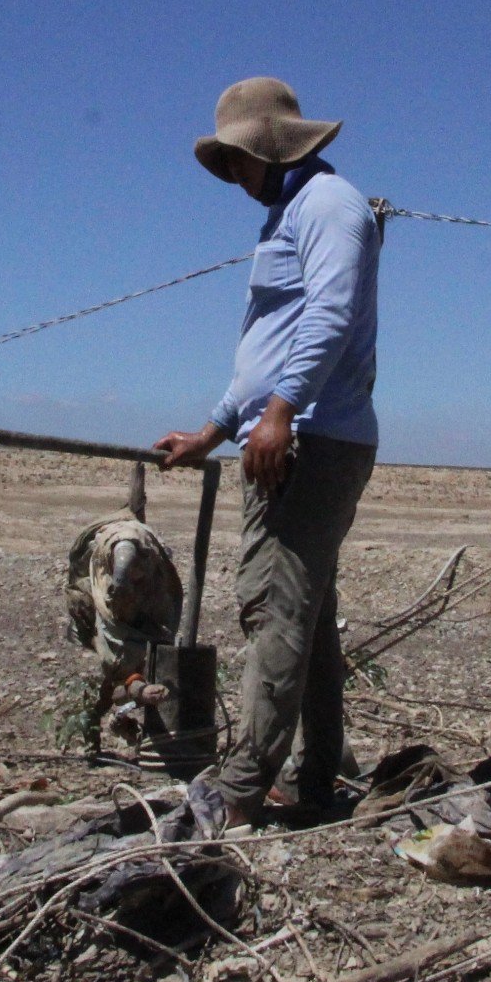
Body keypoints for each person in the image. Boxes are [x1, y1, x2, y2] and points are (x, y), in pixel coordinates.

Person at [156, 77, 381, 831]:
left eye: (237, 162)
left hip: (311, 440)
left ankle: (243, 786)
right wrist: (214, 430)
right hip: (285, 435)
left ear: (267, 148)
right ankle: (316, 777)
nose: (234, 178)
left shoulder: (329, 205)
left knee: (277, 606)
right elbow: (267, 345)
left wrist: (282, 410)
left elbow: (331, 311)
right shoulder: (290, 213)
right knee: (306, 613)